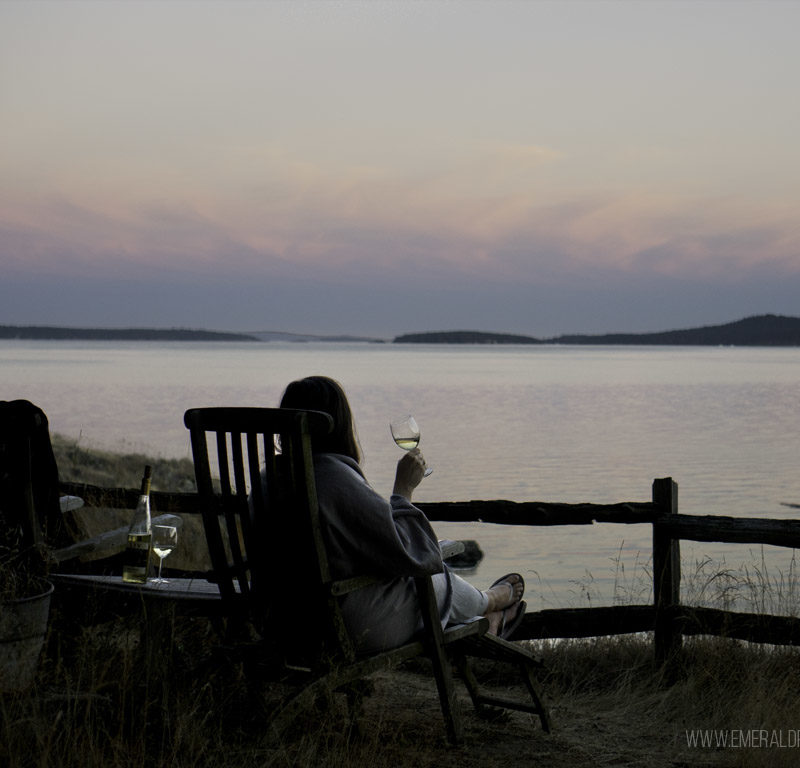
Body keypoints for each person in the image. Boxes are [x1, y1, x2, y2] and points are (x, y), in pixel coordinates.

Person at [279, 375, 526, 654]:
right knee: (435, 581)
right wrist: (403, 490)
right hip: (342, 629)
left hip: (284, 623)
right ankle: (491, 604)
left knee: (424, 583)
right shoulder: (332, 479)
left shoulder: (269, 480)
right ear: (339, 424)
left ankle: (490, 619)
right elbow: (414, 554)